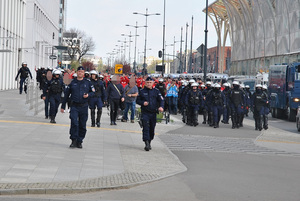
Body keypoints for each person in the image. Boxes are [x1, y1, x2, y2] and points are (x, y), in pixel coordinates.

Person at [60, 66, 95, 149]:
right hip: (74, 106)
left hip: (84, 106)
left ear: (84, 73)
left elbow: (93, 92)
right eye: (79, 71)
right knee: (74, 123)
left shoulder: (87, 82)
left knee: (82, 125)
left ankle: (80, 141)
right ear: (77, 72)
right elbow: (66, 95)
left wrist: (88, 95)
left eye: (82, 72)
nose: (80, 73)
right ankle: (73, 140)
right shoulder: (72, 83)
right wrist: (63, 106)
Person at [136, 77, 164, 151]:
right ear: (145, 83)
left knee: (152, 128)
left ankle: (150, 140)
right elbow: (137, 100)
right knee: (145, 127)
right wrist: (143, 103)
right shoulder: (142, 91)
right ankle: (146, 143)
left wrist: (161, 107)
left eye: (150, 82)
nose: (149, 84)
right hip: (145, 112)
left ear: (153, 83)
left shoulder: (156, 91)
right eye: (147, 82)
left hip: (153, 113)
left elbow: (161, 100)